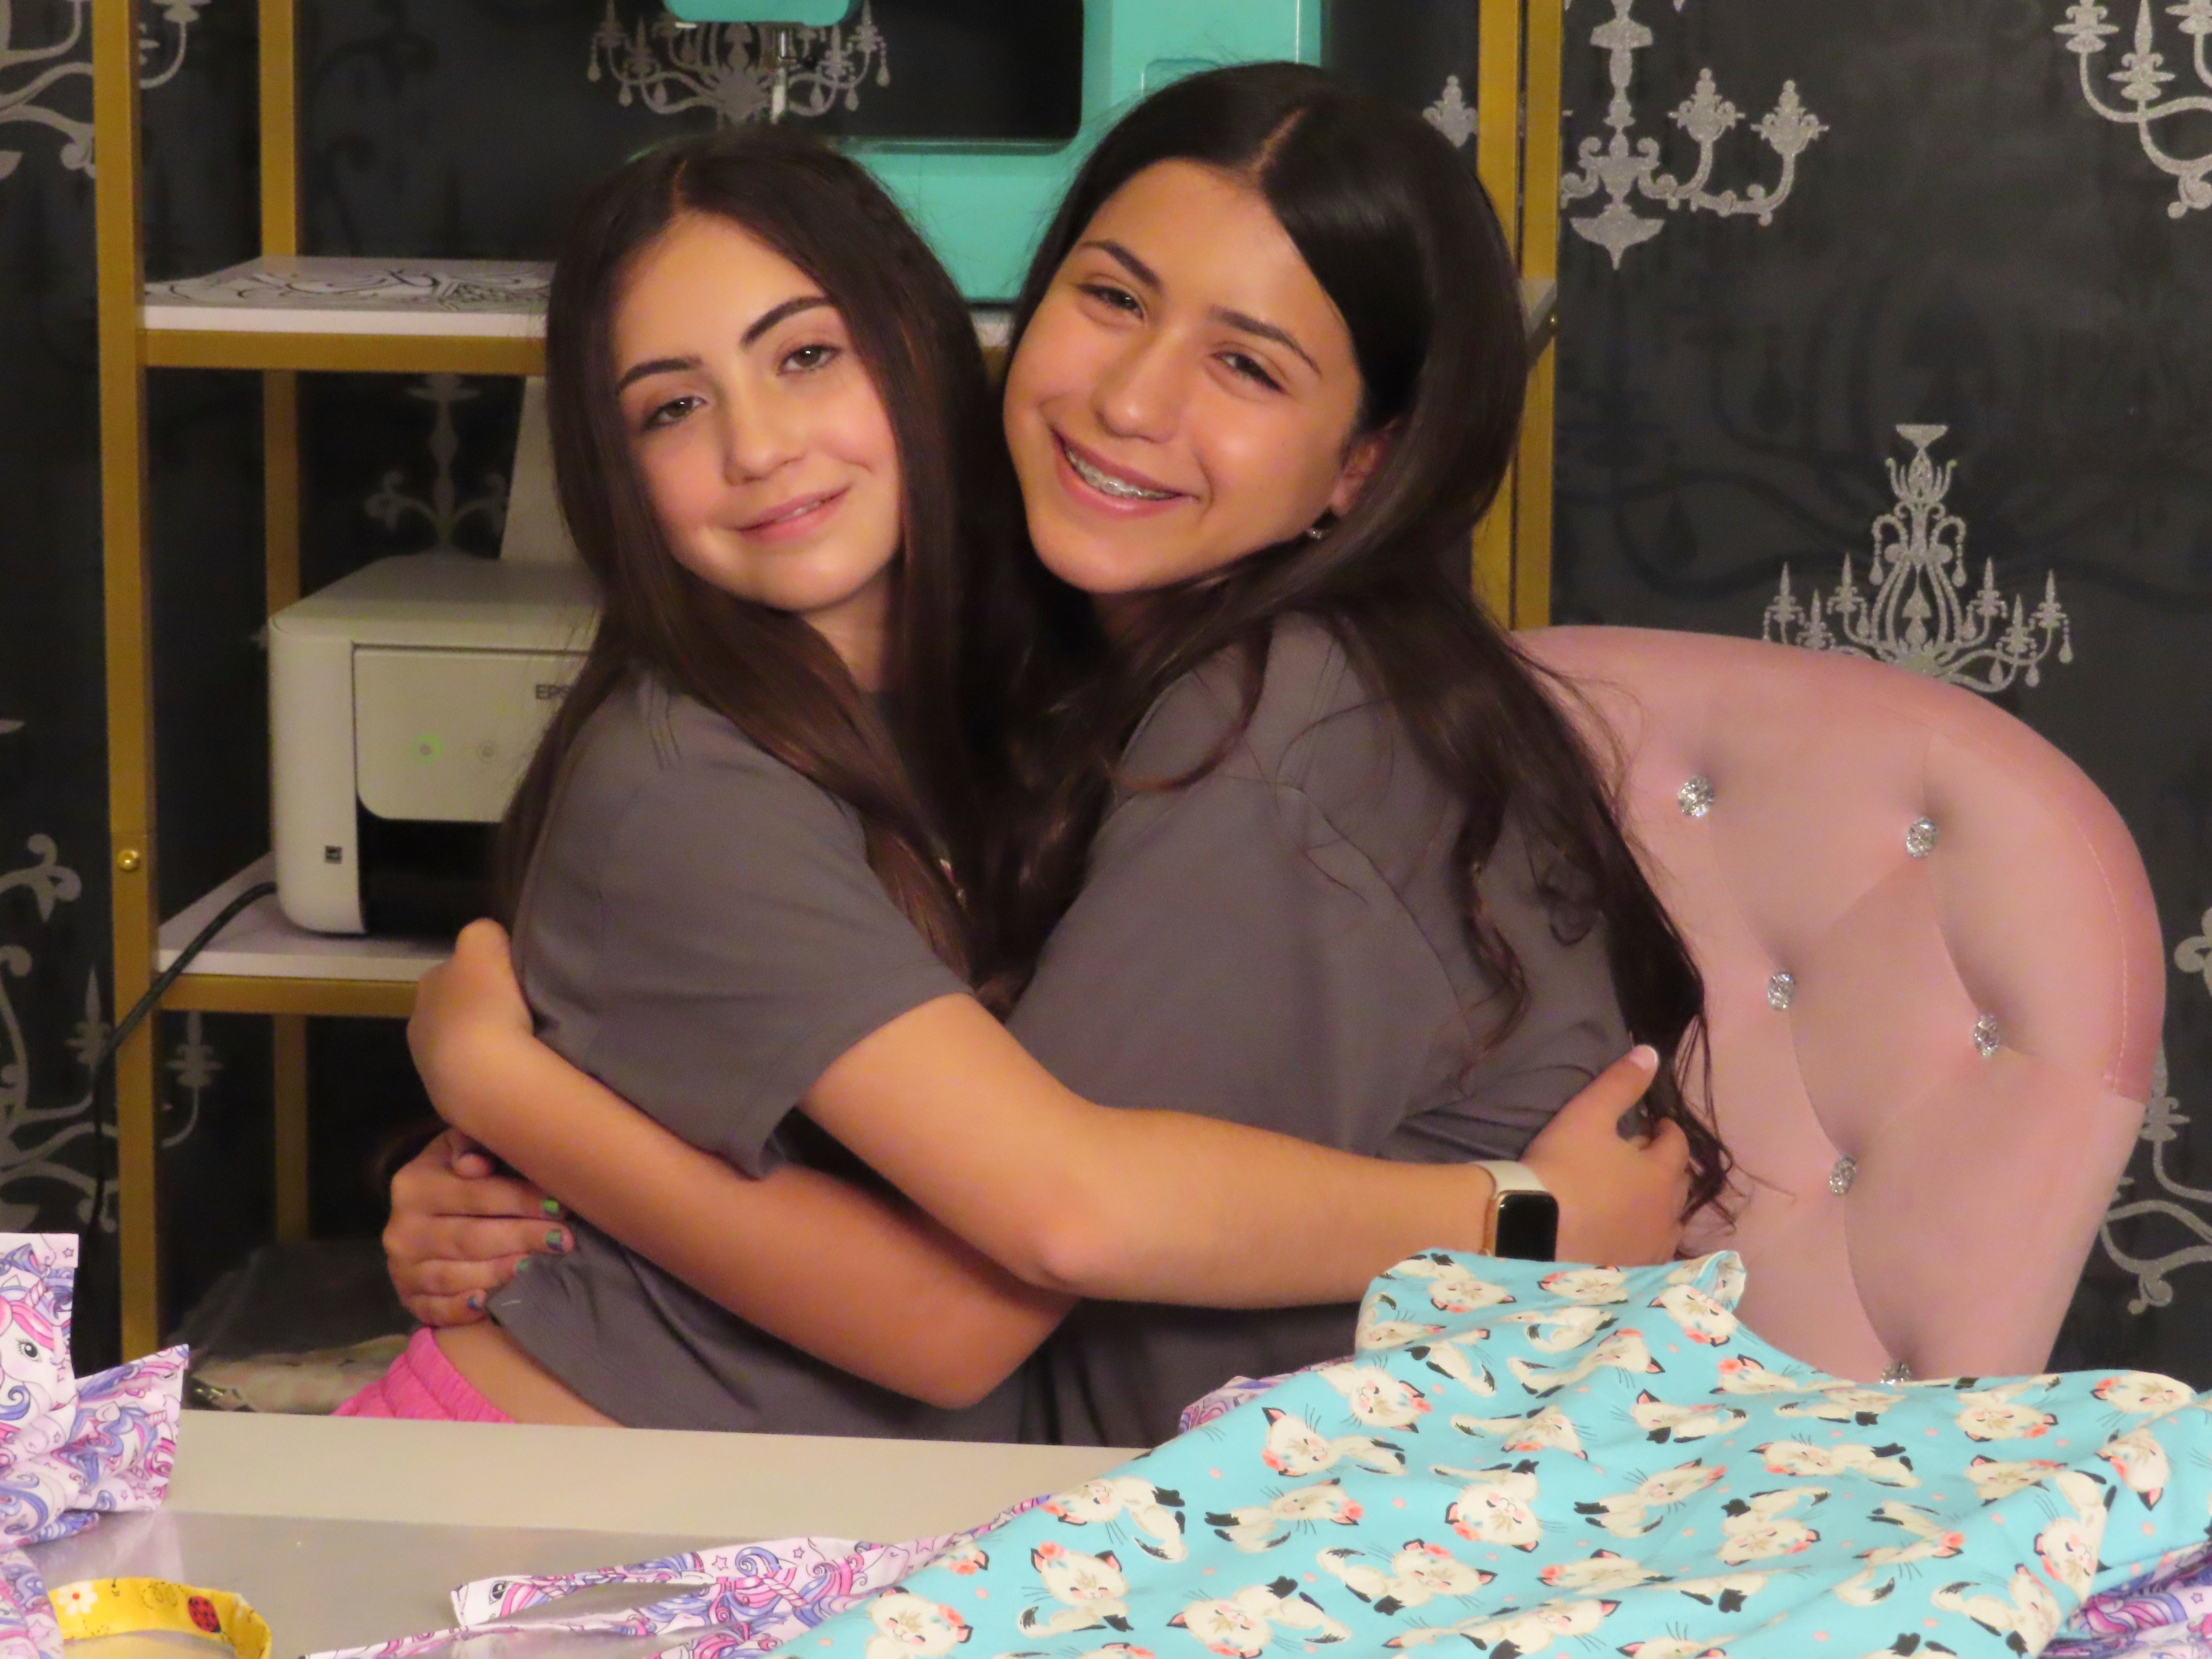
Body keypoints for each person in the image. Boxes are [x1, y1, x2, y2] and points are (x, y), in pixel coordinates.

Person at [380, 69, 1726, 1444]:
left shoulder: (1237, 709)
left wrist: (506, 1089)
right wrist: (1521, 1219)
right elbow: (1011, 1262)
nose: (1135, 400)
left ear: (1361, 469)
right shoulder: (732, 761)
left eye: (1247, 364)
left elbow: (1029, 1246)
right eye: (1114, 299)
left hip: (822, 1506)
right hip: (600, 1489)